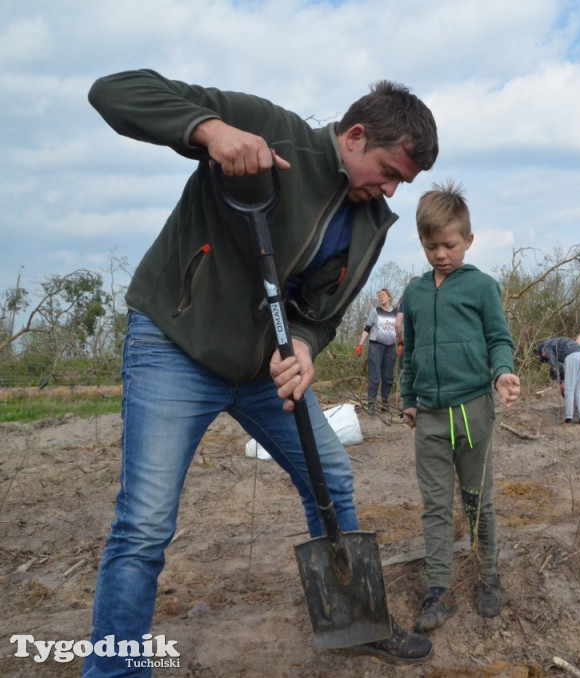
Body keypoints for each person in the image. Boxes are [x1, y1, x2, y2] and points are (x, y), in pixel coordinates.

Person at [85, 69, 439, 675]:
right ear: (354, 136)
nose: (390, 192)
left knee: (333, 476)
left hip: (263, 372)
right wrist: (210, 129)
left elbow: (321, 313)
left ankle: (352, 619)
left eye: (401, 184)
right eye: (388, 173)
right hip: (176, 345)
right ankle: (114, 669)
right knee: (145, 524)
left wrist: (303, 344)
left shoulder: (369, 223)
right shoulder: (270, 130)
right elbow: (113, 92)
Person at [399, 181, 521, 634]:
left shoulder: (482, 287)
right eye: (431, 246)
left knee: (477, 501)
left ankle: (488, 575)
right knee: (434, 505)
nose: (440, 254)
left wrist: (502, 373)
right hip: (429, 417)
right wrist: (409, 401)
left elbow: (498, 339)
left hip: (474, 410)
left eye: (449, 244)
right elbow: (409, 352)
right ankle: (438, 590)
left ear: (468, 240)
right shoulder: (412, 294)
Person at [357, 288, 399, 413]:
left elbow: (399, 330)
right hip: (376, 347)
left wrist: (401, 344)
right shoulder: (375, 312)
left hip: (390, 348)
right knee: (374, 376)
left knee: (387, 377)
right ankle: (371, 404)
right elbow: (367, 328)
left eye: (383, 295)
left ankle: (384, 403)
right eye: (379, 296)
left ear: (389, 297)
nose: (381, 297)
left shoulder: (396, 313)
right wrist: (360, 344)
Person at [537, 337, 580, 424]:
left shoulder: (547, 347)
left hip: (571, 355)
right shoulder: (555, 343)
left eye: (543, 357)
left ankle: (568, 419)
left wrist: (558, 380)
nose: (546, 360)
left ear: (542, 350)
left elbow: (554, 367)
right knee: (578, 387)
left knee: (569, 389)